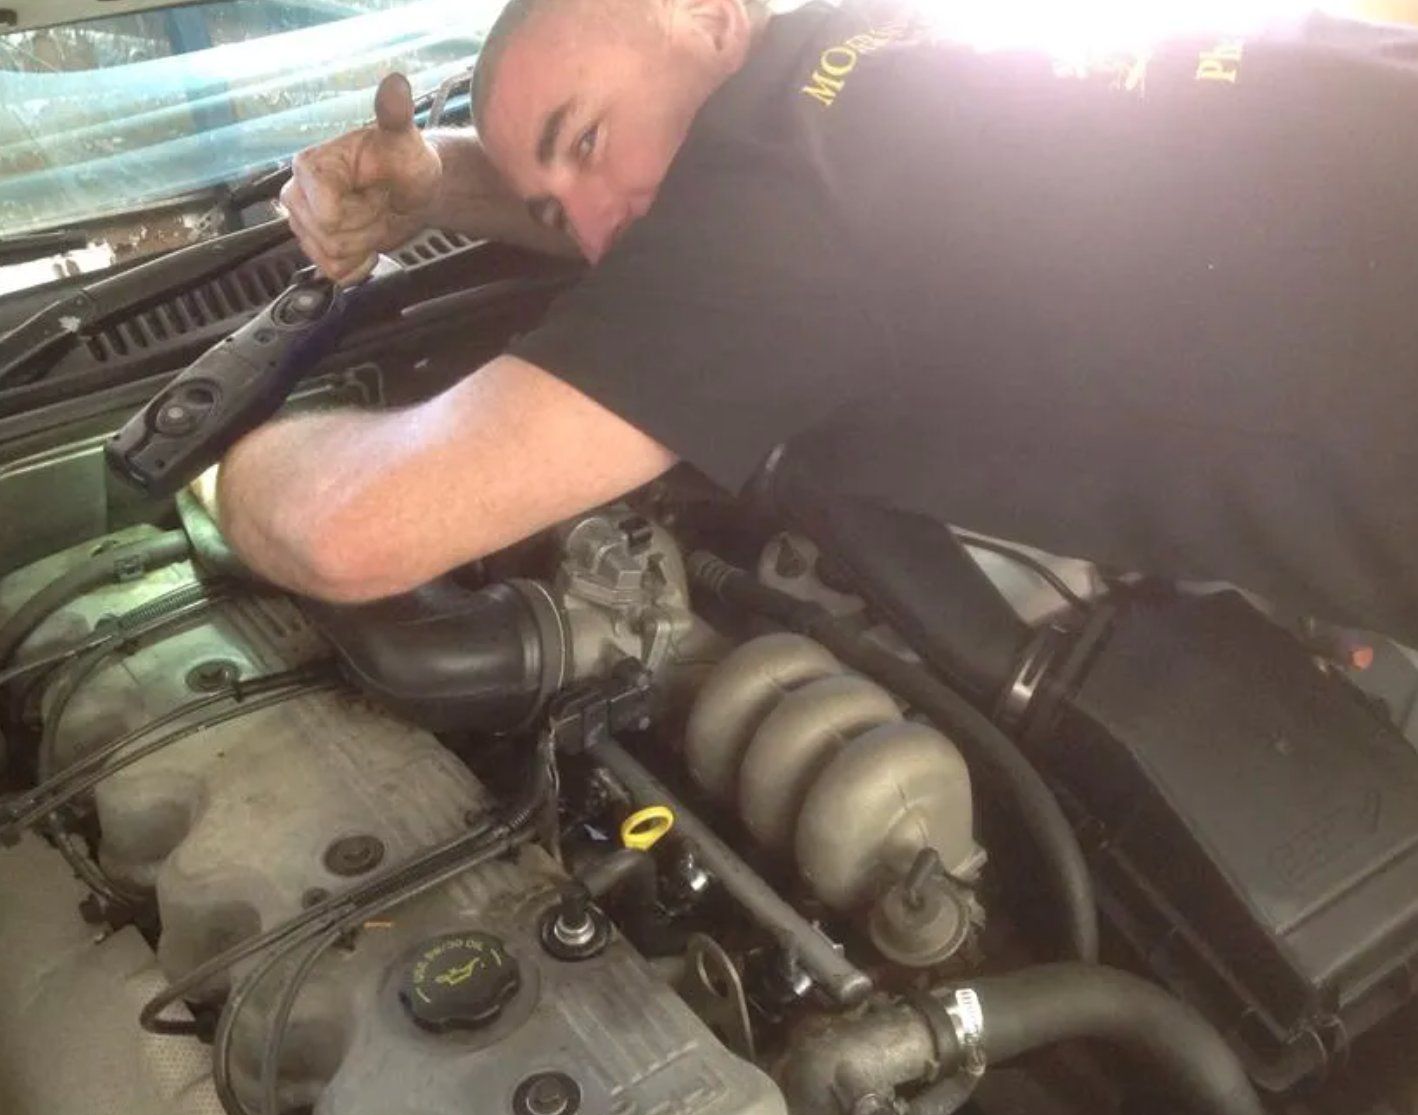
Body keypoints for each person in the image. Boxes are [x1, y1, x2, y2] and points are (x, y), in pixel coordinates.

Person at [213, 0, 1418, 644]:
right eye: (549, 203)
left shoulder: (769, 214)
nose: (585, 236)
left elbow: (349, 531)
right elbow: (658, 212)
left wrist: (222, 467)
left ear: (707, 14)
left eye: (584, 140)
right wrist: (451, 187)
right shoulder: (860, 51)